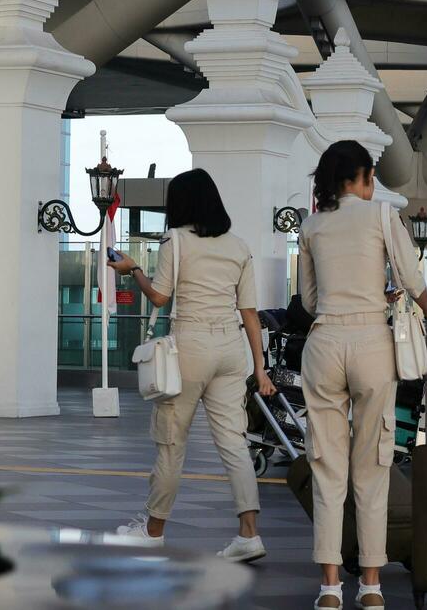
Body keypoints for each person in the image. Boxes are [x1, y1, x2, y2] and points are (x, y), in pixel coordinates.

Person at [296, 141, 427, 610]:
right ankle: (372, 585)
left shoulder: (311, 225)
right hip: (370, 344)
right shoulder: (382, 216)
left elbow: (306, 299)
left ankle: (329, 585)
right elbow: (412, 277)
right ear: (361, 177)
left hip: (323, 343)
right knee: (373, 465)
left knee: (326, 466)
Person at [107, 168, 275, 564]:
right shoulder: (238, 246)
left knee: (171, 443)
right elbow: (249, 313)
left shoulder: (175, 242)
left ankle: (152, 532)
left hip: (192, 345)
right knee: (235, 442)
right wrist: (261, 367)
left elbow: (161, 298)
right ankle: (248, 534)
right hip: (231, 347)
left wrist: (133, 270)